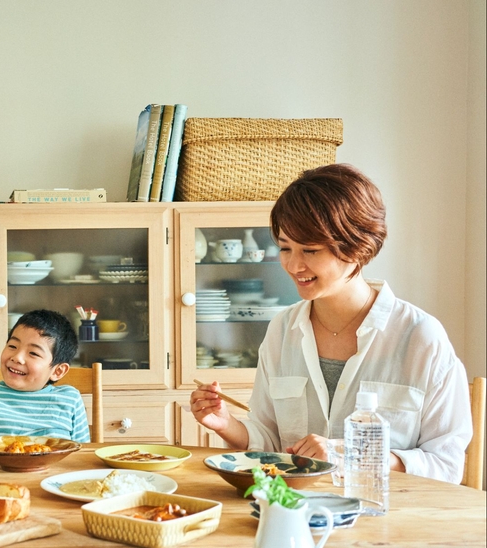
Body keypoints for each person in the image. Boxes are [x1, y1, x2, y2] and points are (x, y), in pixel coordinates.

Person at [190, 164, 472, 484]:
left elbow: (447, 464)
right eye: (285, 248)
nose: (294, 265)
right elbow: (269, 442)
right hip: (296, 512)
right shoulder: (282, 330)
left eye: (310, 250)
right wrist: (226, 424)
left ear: (356, 246)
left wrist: (354, 453)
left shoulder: (420, 337)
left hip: (389, 518)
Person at [0, 309, 90, 444]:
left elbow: (82, 453)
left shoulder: (70, 399)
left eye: (33, 353)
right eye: (12, 346)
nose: (17, 358)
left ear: (58, 371)